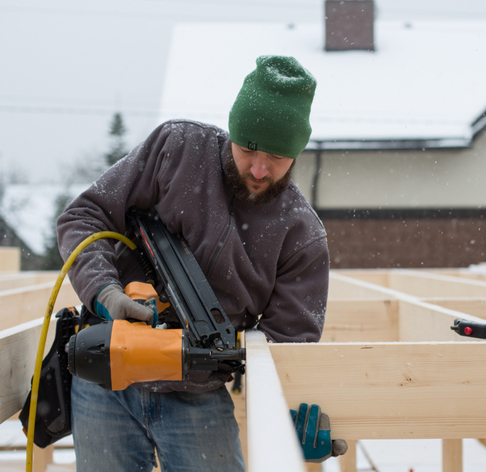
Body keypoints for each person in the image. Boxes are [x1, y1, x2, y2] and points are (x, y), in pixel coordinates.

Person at [57, 55, 342, 472]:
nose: (259, 169)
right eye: (248, 149)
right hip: (107, 377)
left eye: (277, 157)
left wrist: (292, 418)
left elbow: (289, 342)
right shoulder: (177, 149)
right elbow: (83, 216)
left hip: (197, 396)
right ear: (232, 132)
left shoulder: (301, 234)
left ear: (297, 154)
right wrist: (106, 292)